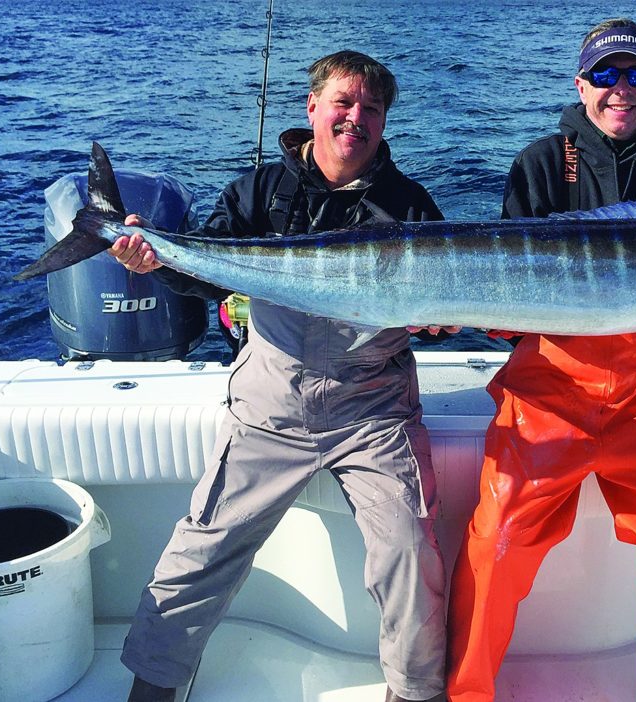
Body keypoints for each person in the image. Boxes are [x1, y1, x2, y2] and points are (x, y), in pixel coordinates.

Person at [111, 50, 451, 702]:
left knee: (411, 551)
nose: (356, 118)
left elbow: (439, 309)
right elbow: (200, 267)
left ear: (383, 123)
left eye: (371, 109)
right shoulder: (259, 193)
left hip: (373, 408)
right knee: (202, 552)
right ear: (313, 109)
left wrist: (438, 318)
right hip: (272, 404)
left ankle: (417, 693)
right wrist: (153, 259)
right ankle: (150, 688)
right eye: (344, 103)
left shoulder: (408, 204)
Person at [446, 19, 636, 702]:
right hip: (547, 394)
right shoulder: (543, 162)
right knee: (495, 542)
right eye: (606, 76)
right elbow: (509, 294)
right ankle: (465, 695)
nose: (622, 90)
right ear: (582, 85)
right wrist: (481, 318)